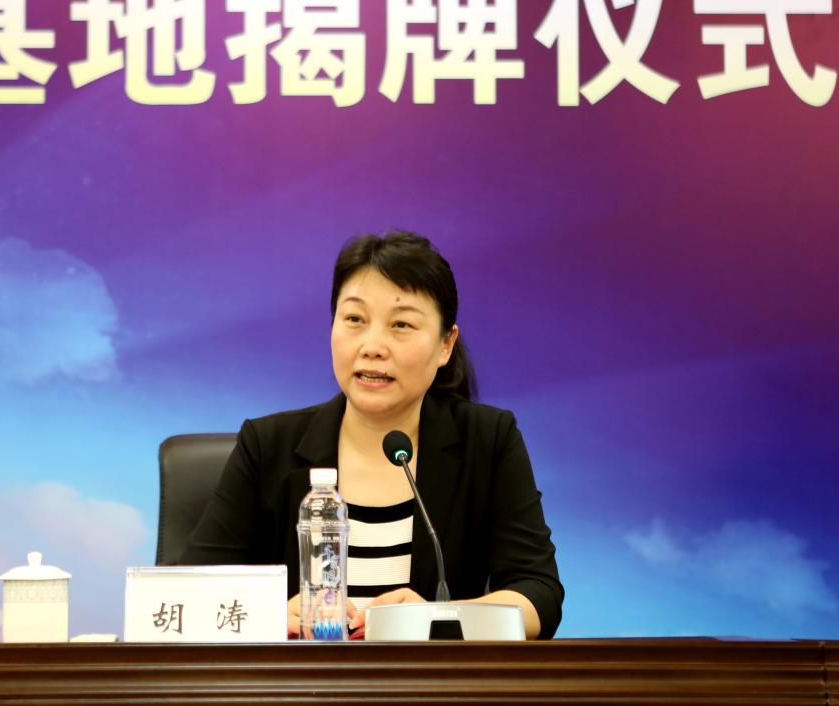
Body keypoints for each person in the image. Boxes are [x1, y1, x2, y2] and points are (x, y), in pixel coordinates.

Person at [179, 231, 563, 639]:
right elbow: (181, 596)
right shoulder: (267, 445)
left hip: (430, 681)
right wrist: (267, 615)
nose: (372, 346)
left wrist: (435, 618)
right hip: (298, 680)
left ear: (445, 345)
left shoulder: (487, 440)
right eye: (354, 320)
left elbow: (538, 595)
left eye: (401, 324)